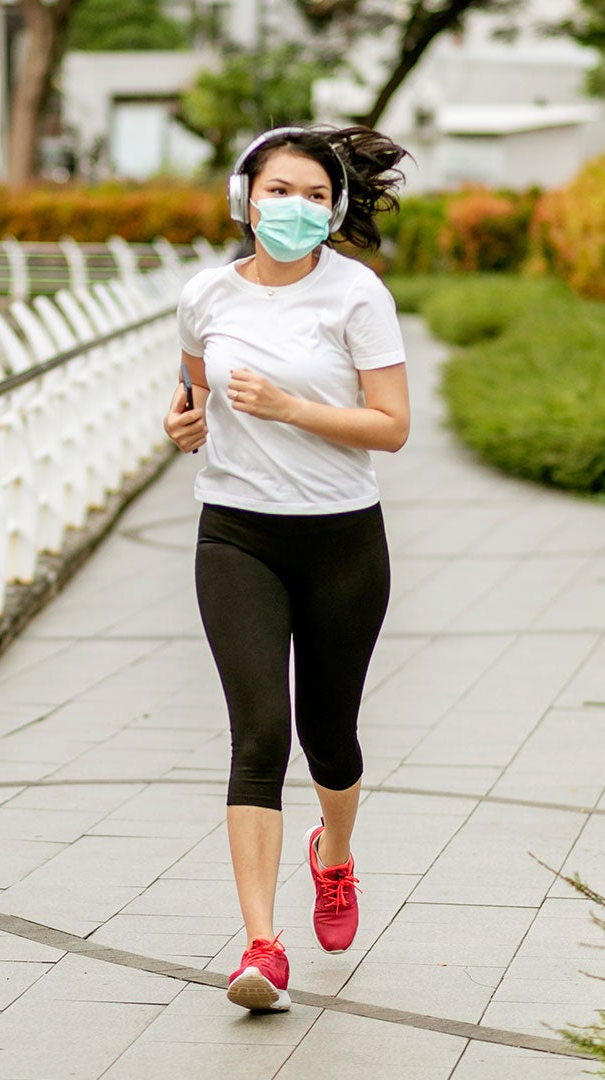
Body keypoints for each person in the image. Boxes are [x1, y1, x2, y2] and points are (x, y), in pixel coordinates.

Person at [163, 125, 411, 1013]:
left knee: (330, 738)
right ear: (245, 198)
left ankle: (333, 857)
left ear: (336, 208)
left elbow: (391, 425)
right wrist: (182, 422)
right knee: (260, 733)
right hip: (237, 536)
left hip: (342, 538)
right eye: (280, 192)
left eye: (315, 196)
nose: (297, 209)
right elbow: (192, 389)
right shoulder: (205, 295)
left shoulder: (358, 295)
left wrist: (293, 408)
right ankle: (262, 946)